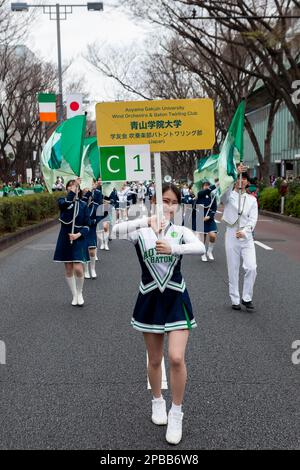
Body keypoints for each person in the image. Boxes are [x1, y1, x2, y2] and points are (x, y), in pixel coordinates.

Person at [112, 183, 205, 446]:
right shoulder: (141, 231)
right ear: (153, 201)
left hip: (176, 297)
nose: (168, 206)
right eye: (163, 200)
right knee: (155, 359)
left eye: (173, 202)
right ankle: (157, 400)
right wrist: (146, 220)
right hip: (150, 298)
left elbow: (198, 247)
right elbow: (113, 232)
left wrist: (174, 248)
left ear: (178, 206)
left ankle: (176, 412)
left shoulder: (180, 231)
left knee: (176, 358)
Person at [221, 165, 258, 312]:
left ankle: (247, 297)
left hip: (246, 237)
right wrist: (235, 173)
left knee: (251, 267)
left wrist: (246, 231)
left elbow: (253, 219)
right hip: (231, 235)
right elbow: (223, 194)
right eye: (239, 179)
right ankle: (235, 299)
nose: (241, 181)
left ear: (248, 183)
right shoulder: (228, 196)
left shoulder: (252, 200)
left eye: (244, 179)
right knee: (233, 268)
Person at [53, 178, 90, 306]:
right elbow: (64, 205)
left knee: (79, 269)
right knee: (69, 268)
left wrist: (78, 235)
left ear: (79, 189)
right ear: (67, 188)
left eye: (74, 186)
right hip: (65, 237)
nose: (72, 188)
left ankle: (80, 292)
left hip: (78, 238)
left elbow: (87, 225)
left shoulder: (84, 205)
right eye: (70, 186)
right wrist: (73, 191)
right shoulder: (62, 201)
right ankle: (74, 294)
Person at [82, 182, 107, 279]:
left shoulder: (96, 202)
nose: (87, 190)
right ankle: (86, 270)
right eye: (85, 190)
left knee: (92, 251)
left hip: (91, 228)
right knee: (84, 250)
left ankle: (92, 269)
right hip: (82, 228)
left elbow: (102, 214)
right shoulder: (82, 201)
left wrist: (95, 221)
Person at [193, 180, 218, 262]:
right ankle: (203, 253)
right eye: (205, 185)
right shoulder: (199, 194)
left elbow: (214, 208)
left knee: (213, 236)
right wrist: (216, 185)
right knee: (202, 239)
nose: (207, 187)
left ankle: (209, 251)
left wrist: (210, 216)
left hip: (209, 218)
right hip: (200, 216)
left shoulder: (212, 196)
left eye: (208, 185)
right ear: (202, 187)